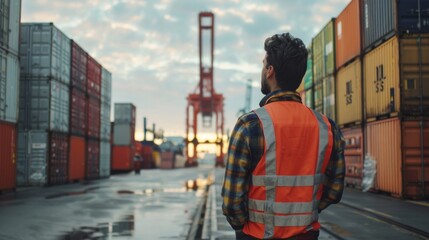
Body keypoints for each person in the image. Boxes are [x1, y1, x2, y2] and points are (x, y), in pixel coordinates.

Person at [221, 33, 345, 240]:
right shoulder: (326, 127)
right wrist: (304, 214)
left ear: (270, 71)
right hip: (306, 234)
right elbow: (334, 191)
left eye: (263, 65)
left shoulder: (251, 125)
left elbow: (232, 202)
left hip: (256, 234)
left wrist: (244, 227)